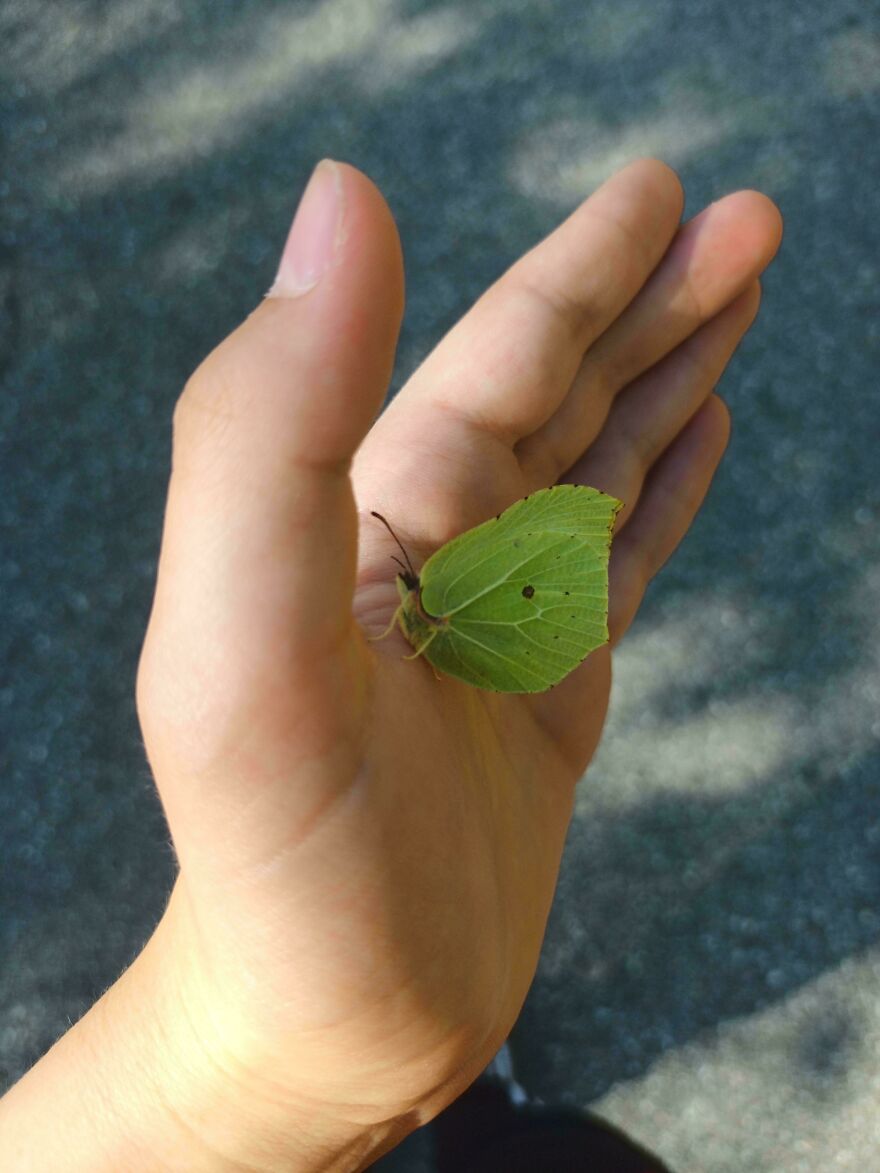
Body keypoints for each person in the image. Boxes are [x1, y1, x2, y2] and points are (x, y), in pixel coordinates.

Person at [0, 157, 782, 1170]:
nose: (405, 597)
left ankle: (474, 1104)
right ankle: (483, 1105)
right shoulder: (420, 613)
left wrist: (255, 1083)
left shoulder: (430, 605)